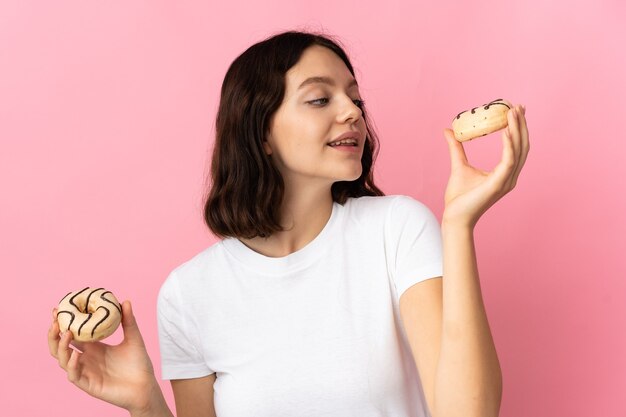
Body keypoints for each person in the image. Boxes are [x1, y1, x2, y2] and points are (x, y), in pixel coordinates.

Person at [48, 30, 529, 417]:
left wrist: (459, 226)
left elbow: (469, 413)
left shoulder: (396, 230)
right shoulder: (190, 293)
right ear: (261, 133)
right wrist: (144, 403)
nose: (352, 112)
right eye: (320, 99)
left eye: (355, 98)